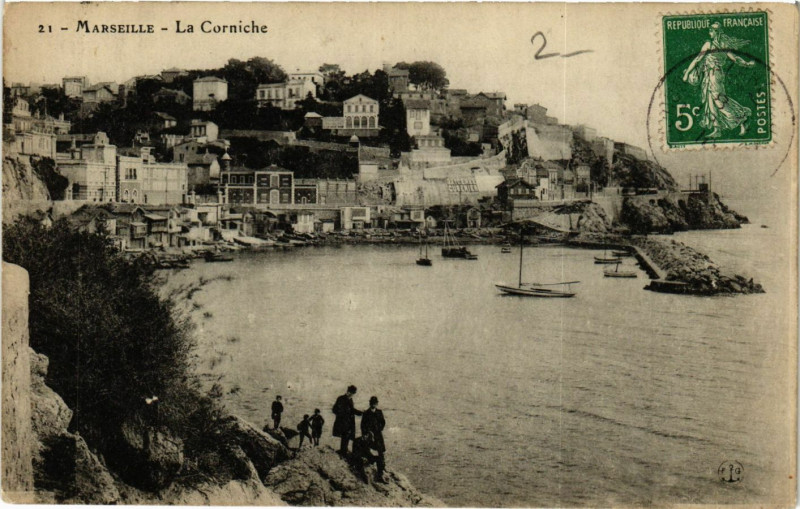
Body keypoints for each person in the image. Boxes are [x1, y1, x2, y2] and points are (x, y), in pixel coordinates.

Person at [682, 22, 755, 138]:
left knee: (718, 100)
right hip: (712, 75)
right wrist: (746, 63)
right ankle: (717, 129)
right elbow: (735, 58)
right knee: (710, 101)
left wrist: (687, 74)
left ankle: (741, 118)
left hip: (714, 75)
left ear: (716, 32)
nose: (709, 32)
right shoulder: (723, 45)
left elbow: (697, 60)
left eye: (711, 30)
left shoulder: (709, 44)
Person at [360, 396, 386, 482]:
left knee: (381, 452)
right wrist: (366, 434)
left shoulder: (379, 412)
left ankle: (381, 473)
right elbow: (362, 425)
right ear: (370, 403)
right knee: (369, 452)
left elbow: (383, 422)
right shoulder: (366, 413)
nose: (373, 405)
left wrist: (379, 429)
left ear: (377, 404)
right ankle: (371, 463)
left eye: (375, 403)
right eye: (372, 403)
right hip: (370, 436)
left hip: (378, 435)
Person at [332, 385, 362, 455]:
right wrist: (341, 416)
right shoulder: (341, 399)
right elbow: (334, 409)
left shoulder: (350, 400)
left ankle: (344, 450)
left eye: (353, 394)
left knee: (347, 436)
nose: (352, 395)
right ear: (348, 392)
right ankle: (343, 451)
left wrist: (360, 413)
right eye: (351, 393)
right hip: (342, 422)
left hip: (349, 422)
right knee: (345, 435)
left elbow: (352, 410)